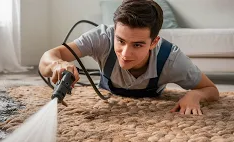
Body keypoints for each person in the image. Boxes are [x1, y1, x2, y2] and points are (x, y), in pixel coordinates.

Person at [39, 0, 219, 115]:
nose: (125, 54)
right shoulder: (101, 38)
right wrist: (57, 65)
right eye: (120, 41)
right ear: (114, 31)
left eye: (138, 45)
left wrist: (195, 95)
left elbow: (211, 89)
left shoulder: (172, 60)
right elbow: (49, 57)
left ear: (154, 42)